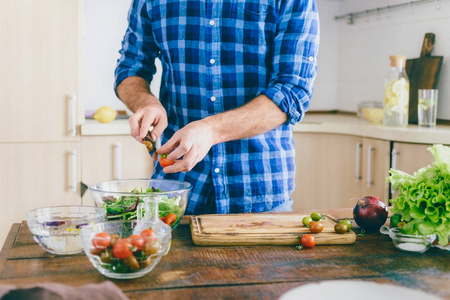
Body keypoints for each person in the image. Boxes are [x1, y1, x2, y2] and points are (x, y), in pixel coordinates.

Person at [114, 0, 320, 215]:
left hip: (259, 187)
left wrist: (211, 130)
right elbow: (130, 68)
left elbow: (292, 91)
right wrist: (145, 102)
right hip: (176, 189)